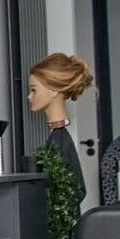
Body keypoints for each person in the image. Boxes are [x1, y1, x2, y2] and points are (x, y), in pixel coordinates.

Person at [28, 52, 94, 196]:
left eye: (34, 90)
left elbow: (74, 191)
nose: (29, 96)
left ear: (53, 91)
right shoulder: (58, 138)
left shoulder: (60, 141)